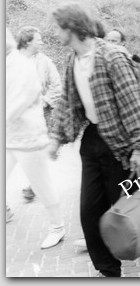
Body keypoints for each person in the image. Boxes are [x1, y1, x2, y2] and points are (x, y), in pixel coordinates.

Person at [48, 3, 140, 277]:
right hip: (93, 139)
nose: (55, 33)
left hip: (119, 145)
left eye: (58, 28)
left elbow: (133, 103)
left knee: (126, 207)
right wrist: (56, 139)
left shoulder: (112, 56)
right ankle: (108, 269)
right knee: (89, 211)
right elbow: (69, 102)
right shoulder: (73, 58)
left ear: (72, 28)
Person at [6, 27, 65, 249]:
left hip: (28, 138)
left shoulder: (21, 65)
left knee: (41, 184)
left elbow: (20, 100)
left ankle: (57, 227)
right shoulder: (11, 62)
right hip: (10, 137)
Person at [15, 26, 62, 202]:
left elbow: (56, 85)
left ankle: (33, 185)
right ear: (27, 41)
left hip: (39, 114)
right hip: (14, 115)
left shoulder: (45, 62)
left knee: (36, 151)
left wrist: (45, 101)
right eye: (38, 39)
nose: (42, 42)